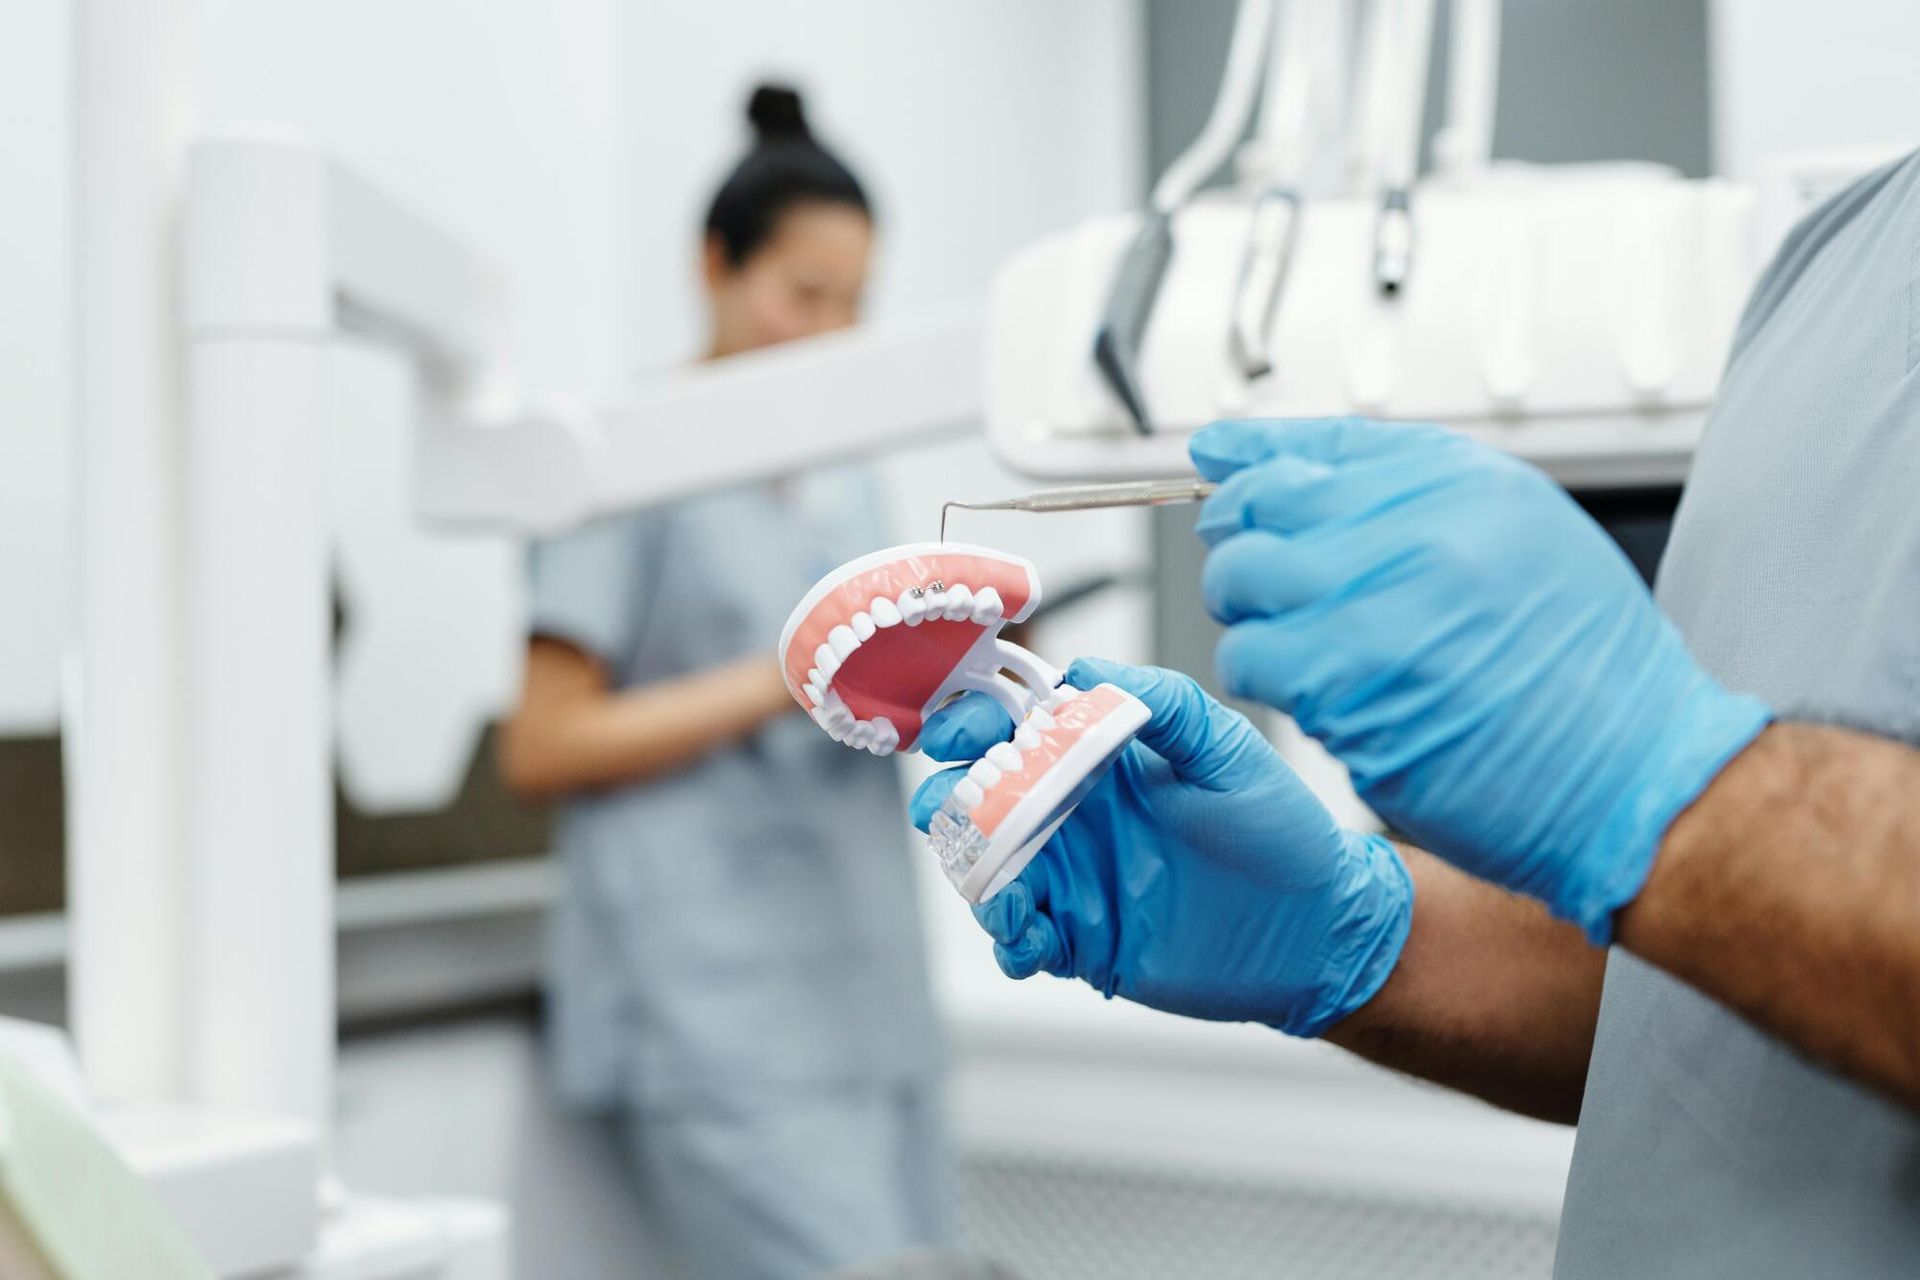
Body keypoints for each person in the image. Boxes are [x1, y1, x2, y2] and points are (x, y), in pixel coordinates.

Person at [912, 153, 1920, 1275]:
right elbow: (1697, 1001)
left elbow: (1703, 832)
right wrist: (1358, 931)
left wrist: (1675, 792)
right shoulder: (1828, 264)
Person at [503, 84, 951, 1279]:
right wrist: (785, 676)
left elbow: (852, 704)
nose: (827, 333)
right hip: (715, 1010)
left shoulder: (844, 474)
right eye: (801, 294)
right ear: (714, 264)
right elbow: (541, 743)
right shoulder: (630, 454)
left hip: (864, 987)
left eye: (854, 306)